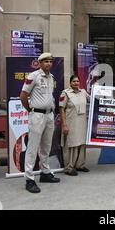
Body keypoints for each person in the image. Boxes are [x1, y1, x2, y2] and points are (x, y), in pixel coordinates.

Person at [20, 52, 60, 193]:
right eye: (46, 61)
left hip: (49, 115)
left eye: (50, 61)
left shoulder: (51, 77)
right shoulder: (33, 76)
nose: (49, 63)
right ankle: (29, 179)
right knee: (32, 147)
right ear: (40, 63)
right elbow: (23, 95)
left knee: (46, 146)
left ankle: (45, 173)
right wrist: (29, 109)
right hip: (37, 115)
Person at [59, 75, 90, 176]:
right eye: (74, 81)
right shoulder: (65, 93)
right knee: (71, 144)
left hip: (82, 122)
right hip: (70, 123)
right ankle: (69, 167)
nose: (76, 83)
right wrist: (64, 125)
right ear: (70, 83)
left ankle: (80, 165)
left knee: (81, 143)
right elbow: (61, 109)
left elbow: (93, 100)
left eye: (77, 81)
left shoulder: (83, 92)